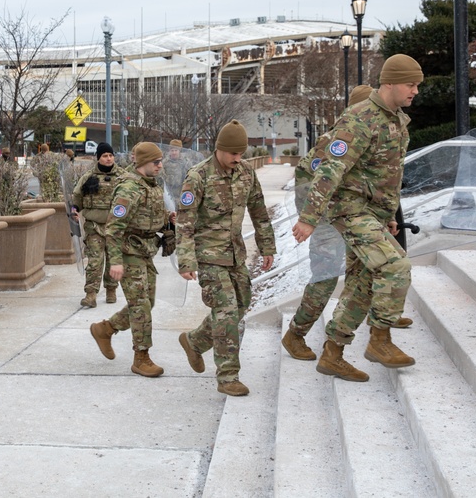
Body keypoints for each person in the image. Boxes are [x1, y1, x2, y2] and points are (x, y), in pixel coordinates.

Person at [291, 54, 422, 382]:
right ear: (389, 82)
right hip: (349, 210)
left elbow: (390, 174)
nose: (416, 91)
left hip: (372, 213)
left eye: (418, 85)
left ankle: (333, 353)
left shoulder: (397, 120)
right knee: (396, 266)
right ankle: (381, 340)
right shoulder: (360, 117)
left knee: (362, 284)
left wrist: (388, 215)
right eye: (411, 84)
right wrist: (309, 217)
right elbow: (330, 168)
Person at [176, 120, 276, 397]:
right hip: (208, 257)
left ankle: (195, 342)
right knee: (228, 311)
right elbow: (184, 222)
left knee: (240, 305)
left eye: (241, 153)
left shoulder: (245, 173)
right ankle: (228, 376)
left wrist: (267, 247)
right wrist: (186, 261)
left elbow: (259, 212)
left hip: (235, 255)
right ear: (219, 149)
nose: (238, 158)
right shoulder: (198, 177)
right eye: (233, 153)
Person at [89, 142, 173, 378]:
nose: (160, 165)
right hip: (128, 252)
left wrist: (168, 219)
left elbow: (149, 213)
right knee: (141, 306)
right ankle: (141, 357)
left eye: (160, 161)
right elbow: (114, 228)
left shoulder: (151, 184)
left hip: (146, 250)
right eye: (155, 162)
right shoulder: (128, 188)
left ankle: (105, 329)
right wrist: (116, 261)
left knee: (149, 301)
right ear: (143, 162)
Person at [72, 142, 121, 307]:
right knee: (95, 260)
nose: (108, 159)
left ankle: (111, 289)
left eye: (110, 155)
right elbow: (77, 196)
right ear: (98, 158)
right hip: (94, 225)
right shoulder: (88, 177)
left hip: (116, 226)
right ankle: (91, 294)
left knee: (113, 260)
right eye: (104, 156)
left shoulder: (123, 176)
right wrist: (74, 210)